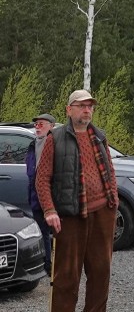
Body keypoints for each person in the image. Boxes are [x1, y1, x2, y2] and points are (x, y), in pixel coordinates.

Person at [35, 90, 118, 311]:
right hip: (70, 217)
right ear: (69, 110)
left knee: (101, 274)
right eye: (81, 105)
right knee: (66, 278)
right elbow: (42, 179)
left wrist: (113, 202)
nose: (87, 109)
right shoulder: (56, 138)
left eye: (90, 106)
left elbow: (110, 171)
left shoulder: (99, 136)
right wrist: (50, 210)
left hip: (102, 214)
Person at [25, 113, 55, 276]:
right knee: (42, 232)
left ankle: (57, 264)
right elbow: (31, 172)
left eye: (41, 124)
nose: (37, 127)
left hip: (51, 197)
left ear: (51, 126)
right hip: (35, 196)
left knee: (57, 233)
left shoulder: (55, 144)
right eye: (36, 124)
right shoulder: (32, 145)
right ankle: (47, 265)